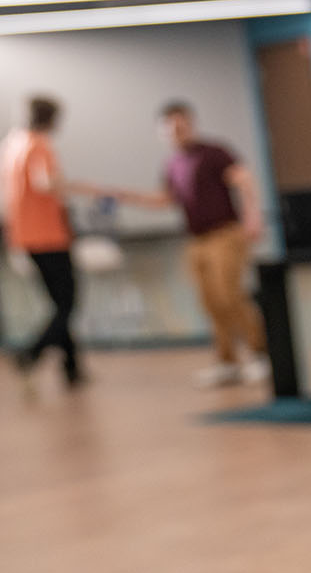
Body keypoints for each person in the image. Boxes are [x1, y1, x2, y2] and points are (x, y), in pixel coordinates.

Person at [106, 102, 269, 387]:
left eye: (181, 126)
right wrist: (128, 197)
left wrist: (253, 216)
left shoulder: (214, 152)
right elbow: (167, 200)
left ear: (191, 124)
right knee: (210, 302)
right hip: (196, 240)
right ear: (162, 132)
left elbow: (243, 180)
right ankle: (227, 362)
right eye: (170, 128)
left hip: (225, 235)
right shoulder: (173, 164)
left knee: (229, 296)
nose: (177, 132)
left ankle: (260, 355)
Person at [0, 94, 86, 387]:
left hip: (24, 237)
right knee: (67, 304)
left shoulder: (10, 145)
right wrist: (73, 186)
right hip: (48, 236)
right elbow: (44, 182)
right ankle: (30, 353)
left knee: (60, 302)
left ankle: (72, 368)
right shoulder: (38, 144)